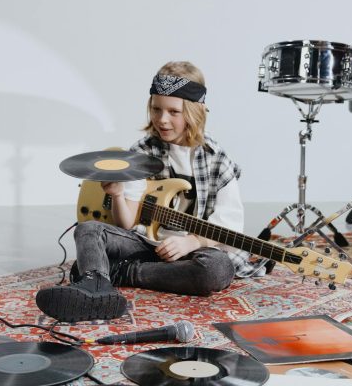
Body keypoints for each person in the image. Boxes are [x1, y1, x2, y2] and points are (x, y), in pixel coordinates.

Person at [36, 61, 261, 323]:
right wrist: (118, 194)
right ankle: (94, 289)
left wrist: (193, 241)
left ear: (194, 112)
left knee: (217, 270)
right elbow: (127, 222)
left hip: (191, 251)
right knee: (88, 229)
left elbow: (229, 226)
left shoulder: (217, 160)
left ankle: (121, 274)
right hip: (144, 243)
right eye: (156, 109)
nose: (162, 119)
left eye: (173, 112)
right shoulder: (141, 152)